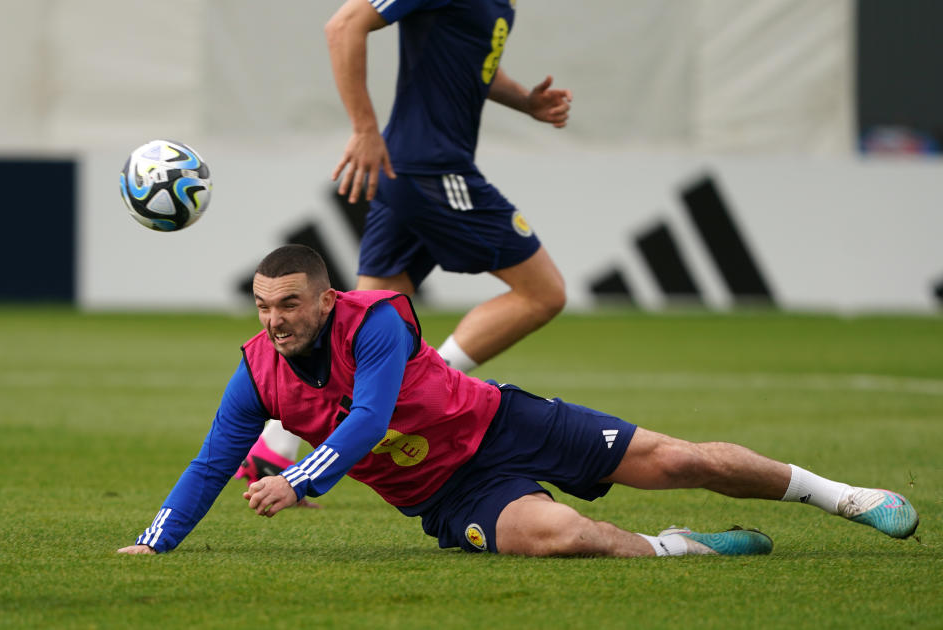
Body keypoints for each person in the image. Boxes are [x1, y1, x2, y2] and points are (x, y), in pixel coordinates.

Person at [119, 245, 919, 557]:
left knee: (682, 458)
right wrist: (153, 546)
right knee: (563, 538)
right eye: (262, 306)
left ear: (326, 300)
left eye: (288, 304)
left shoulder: (378, 322)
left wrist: (300, 479)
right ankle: (688, 548)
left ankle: (846, 497)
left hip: (504, 421)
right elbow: (210, 461)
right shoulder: (257, 371)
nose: (274, 319)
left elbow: (367, 418)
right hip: (447, 493)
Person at [233, 0, 574, 484]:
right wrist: (364, 129)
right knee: (543, 293)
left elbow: (471, 63)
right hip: (432, 169)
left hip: (412, 169)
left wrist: (525, 101)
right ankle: (415, 383)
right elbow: (344, 25)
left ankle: (275, 445)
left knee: (364, 323)